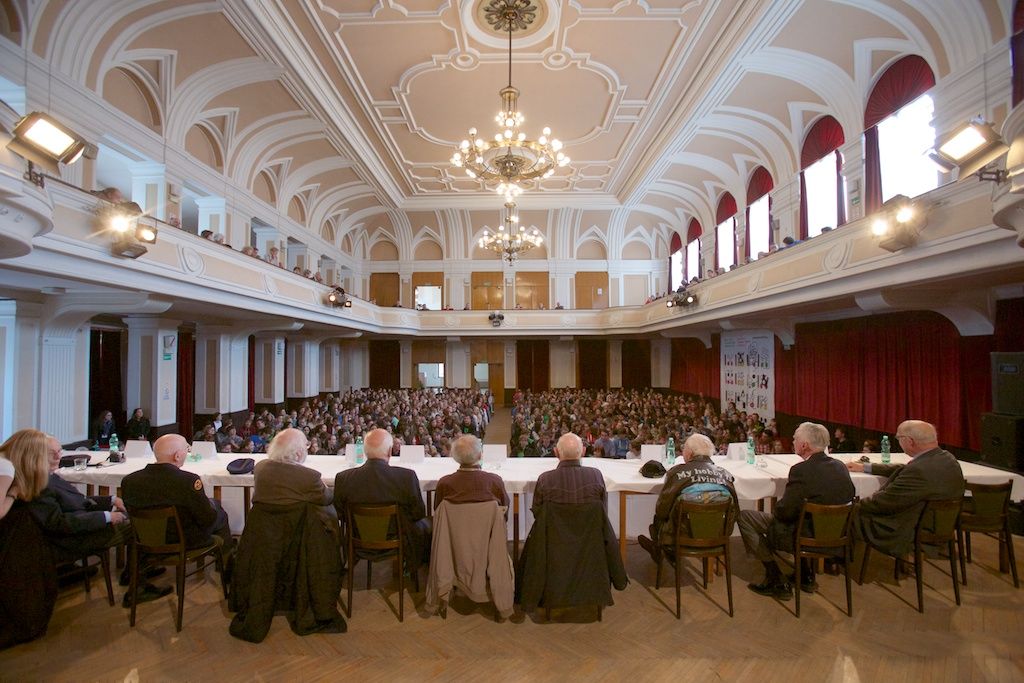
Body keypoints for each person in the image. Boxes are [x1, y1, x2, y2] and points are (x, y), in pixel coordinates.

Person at [739, 422, 854, 599]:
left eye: (795, 439)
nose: (793, 442)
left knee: (745, 517)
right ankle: (805, 574)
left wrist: (778, 509)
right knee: (801, 516)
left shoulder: (801, 470)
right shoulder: (840, 467)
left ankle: (775, 578)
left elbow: (785, 512)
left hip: (804, 535)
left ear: (804, 445)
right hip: (836, 536)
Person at [847, 420, 965, 558]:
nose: (898, 441)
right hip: (939, 524)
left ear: (909, 441)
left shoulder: (919, 471)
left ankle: (837, 559)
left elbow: (883, 502)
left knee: (849, 516)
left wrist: (851, 506)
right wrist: (865, 467)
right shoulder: (946, 458)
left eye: (898, 438)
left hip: (909, 528)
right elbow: (905, 469)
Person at [333, 428, 431, 566]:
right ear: (390, 451)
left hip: (358, 540)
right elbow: (418, 513)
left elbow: (340, 514)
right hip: (398, 540)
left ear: (365, 451)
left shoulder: (343, 478)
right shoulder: (406, 477)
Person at [121, 434, 233, 551]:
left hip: (143, 540)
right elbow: (207, 518)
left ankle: (143, 565)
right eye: (186, 449)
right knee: (220, 515)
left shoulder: (129, 481)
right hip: (184, 540)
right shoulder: (188, 481)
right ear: (177, 456)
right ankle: (227, 561)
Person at [637, 433, 738, 562]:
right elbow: (736, 513)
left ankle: (661, 549)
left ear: (689, 453)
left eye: (684, 449)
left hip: (681, 535)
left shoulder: (676, 472)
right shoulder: (726, 475)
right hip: (718, 535)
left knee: (659, 519)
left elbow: (661, 510)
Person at [253, 428, 332, 508]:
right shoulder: (308, 476)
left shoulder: (260, 467)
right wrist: (323, 485)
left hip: (260, 519)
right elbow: (327, 498)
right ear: (298, 454)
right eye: (306, 445)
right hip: (296, 519)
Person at [532, 433, 606, 512]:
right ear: (583, 452)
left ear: (556, 452)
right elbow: (602, 509)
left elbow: (537, 511)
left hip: (552, 524)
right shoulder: (595, 476)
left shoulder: (545, 479)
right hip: (591, 524)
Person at [434, 435, 508, 509]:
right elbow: (504, 510)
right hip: (487, 520)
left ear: (454, 457)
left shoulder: (444, 483)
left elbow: (438, 511)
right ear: (480, 456)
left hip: (453, 520)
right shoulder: (495, 482)